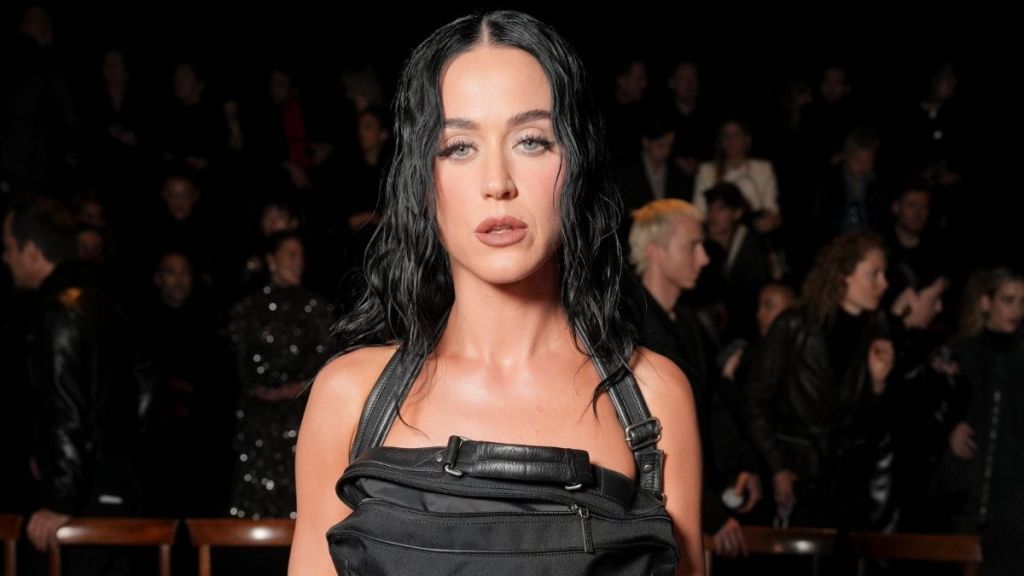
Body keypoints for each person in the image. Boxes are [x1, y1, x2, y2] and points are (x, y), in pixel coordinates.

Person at [290, 11, 703, 576]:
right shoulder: (348, 398)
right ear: (424, 182)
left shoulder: (654, 398)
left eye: (532, 141)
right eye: (459, 147)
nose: (497, 183)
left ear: (576, 164)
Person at [2, 196, 153, 574]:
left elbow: (64, 409)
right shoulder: (108, 301)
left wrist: (61, 497)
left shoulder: (61, 313)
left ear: (31, 250)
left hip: (86, 501)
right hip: (115, 490)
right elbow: (147, 384)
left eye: (9, 248)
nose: (5, 259)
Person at [745, 231, 895, 530]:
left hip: (845, 485)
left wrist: (879, 385)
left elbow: (870, 427)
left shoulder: (875, 332)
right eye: (874, 274)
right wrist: (778, 466)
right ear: (843, 275)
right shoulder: (794, 325)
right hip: (796, 475)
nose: (884, 284)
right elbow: (754, 400)